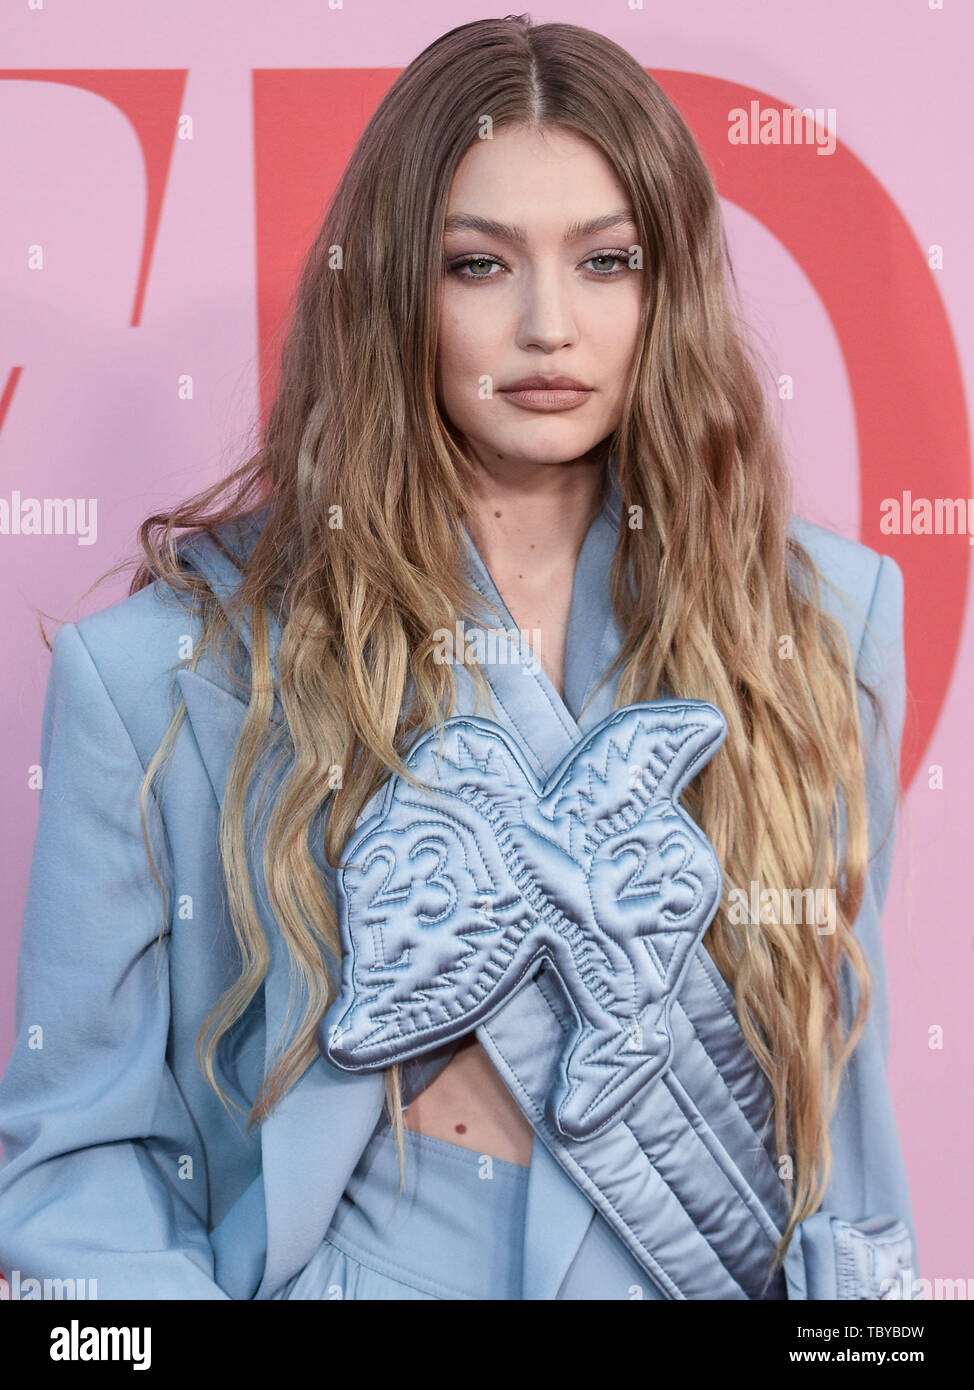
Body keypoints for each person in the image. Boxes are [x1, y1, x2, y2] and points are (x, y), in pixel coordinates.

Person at [0, 15, 918, 1300]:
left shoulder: (819, 620)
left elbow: (844, 1133)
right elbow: (75, 1173)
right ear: (390, 287)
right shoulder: (167, 669)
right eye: (479, 266)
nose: (549, 324)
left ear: (669, 289)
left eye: (606, 260)